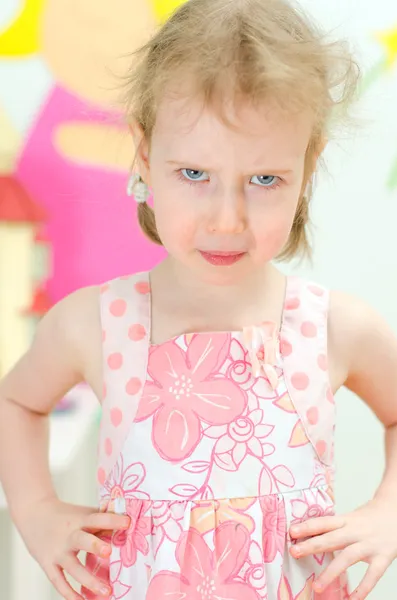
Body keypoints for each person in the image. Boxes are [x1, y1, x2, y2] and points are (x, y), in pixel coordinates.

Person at [1, 0, 397, 599]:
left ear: (307, 166)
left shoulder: (334, 327)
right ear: (143, 153)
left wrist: (387, 514)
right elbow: (17, 402)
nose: (227, 219)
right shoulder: (95, 323)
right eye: (194, 174)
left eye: (264, 180)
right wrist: (35, 510)